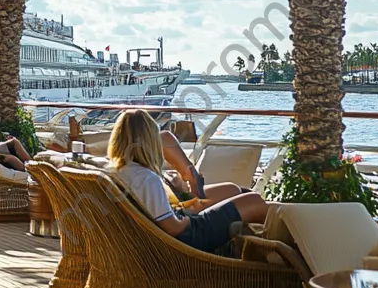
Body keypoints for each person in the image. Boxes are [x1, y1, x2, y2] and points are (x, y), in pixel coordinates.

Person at [107, 109, 266, 257]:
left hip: (161, 236)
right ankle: (267, 257)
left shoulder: (118, 173)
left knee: (240, 193)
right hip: (186, 240)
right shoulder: (146, 179)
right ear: (152, 142)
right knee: (254, 201)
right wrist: (196, 213)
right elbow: (173, 228)